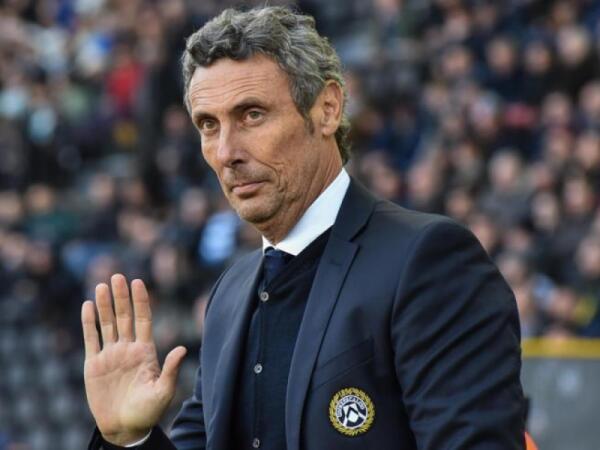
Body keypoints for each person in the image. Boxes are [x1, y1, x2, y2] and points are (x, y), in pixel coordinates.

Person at [83, 6, 526, 450]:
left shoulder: (428, 260)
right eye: (209, 125)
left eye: (252, 115)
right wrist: (131, 439)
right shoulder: (228, 295)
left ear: (327, 109)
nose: (226, 152)